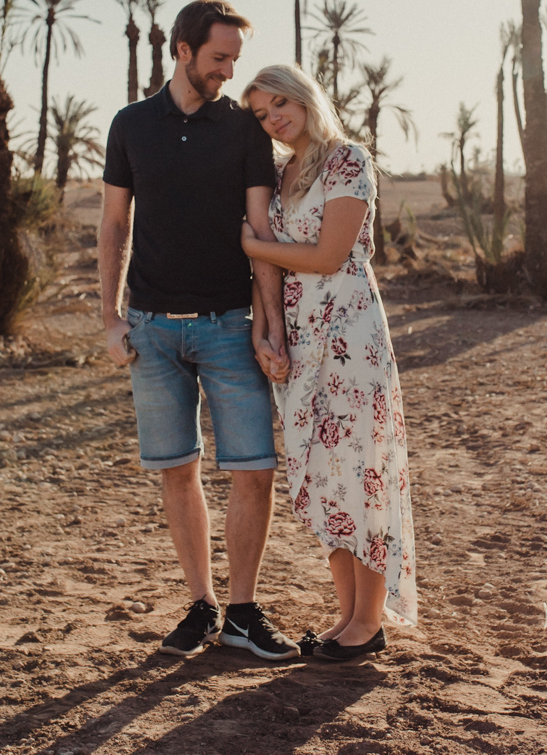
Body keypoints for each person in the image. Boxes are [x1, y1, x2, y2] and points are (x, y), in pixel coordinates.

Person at [98, 0, 300, 661]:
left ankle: (242, 609)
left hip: (227, 324)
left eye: (233, 60)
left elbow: (262, 234)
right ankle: (201, 605)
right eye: (219, 58)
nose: (227, 72)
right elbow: (114, 225)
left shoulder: (243, 131)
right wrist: (109, 313)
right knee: (177, 469)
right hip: (152, 330)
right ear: (181, 50)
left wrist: (268, 325)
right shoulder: (130, 126)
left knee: (255, 467)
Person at [239, 64, 418, 660]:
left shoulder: (348, 160)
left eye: (280, 104)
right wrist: (268, 330)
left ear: (304, 96)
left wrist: (249, 242)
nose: (275, 119)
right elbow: (279, 266)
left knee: (359, 467)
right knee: (324, 474)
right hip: (302, 337)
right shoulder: (278, 171)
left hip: (350, 336)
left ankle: (368, 619)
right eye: (262, 114)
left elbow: (328, 253)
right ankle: (348, 618)